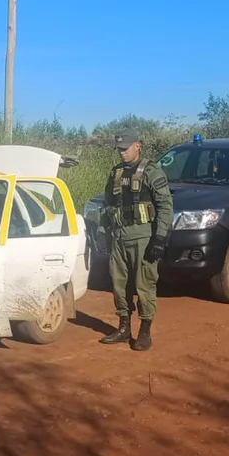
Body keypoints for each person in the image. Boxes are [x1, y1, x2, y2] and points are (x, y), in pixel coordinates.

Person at [97, 128, 174, 351]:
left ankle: (145, 331)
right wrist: (103, 231)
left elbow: (165, 206)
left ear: (137, 146)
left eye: (125, 148)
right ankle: (123, 328)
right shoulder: (116, 173)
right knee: (118, 284)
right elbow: (108, 205)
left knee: (144, 285)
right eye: (119, 149)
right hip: (119, 236)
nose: (122, 152)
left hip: (143, 237)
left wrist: (160, 238)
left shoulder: (152, 171)